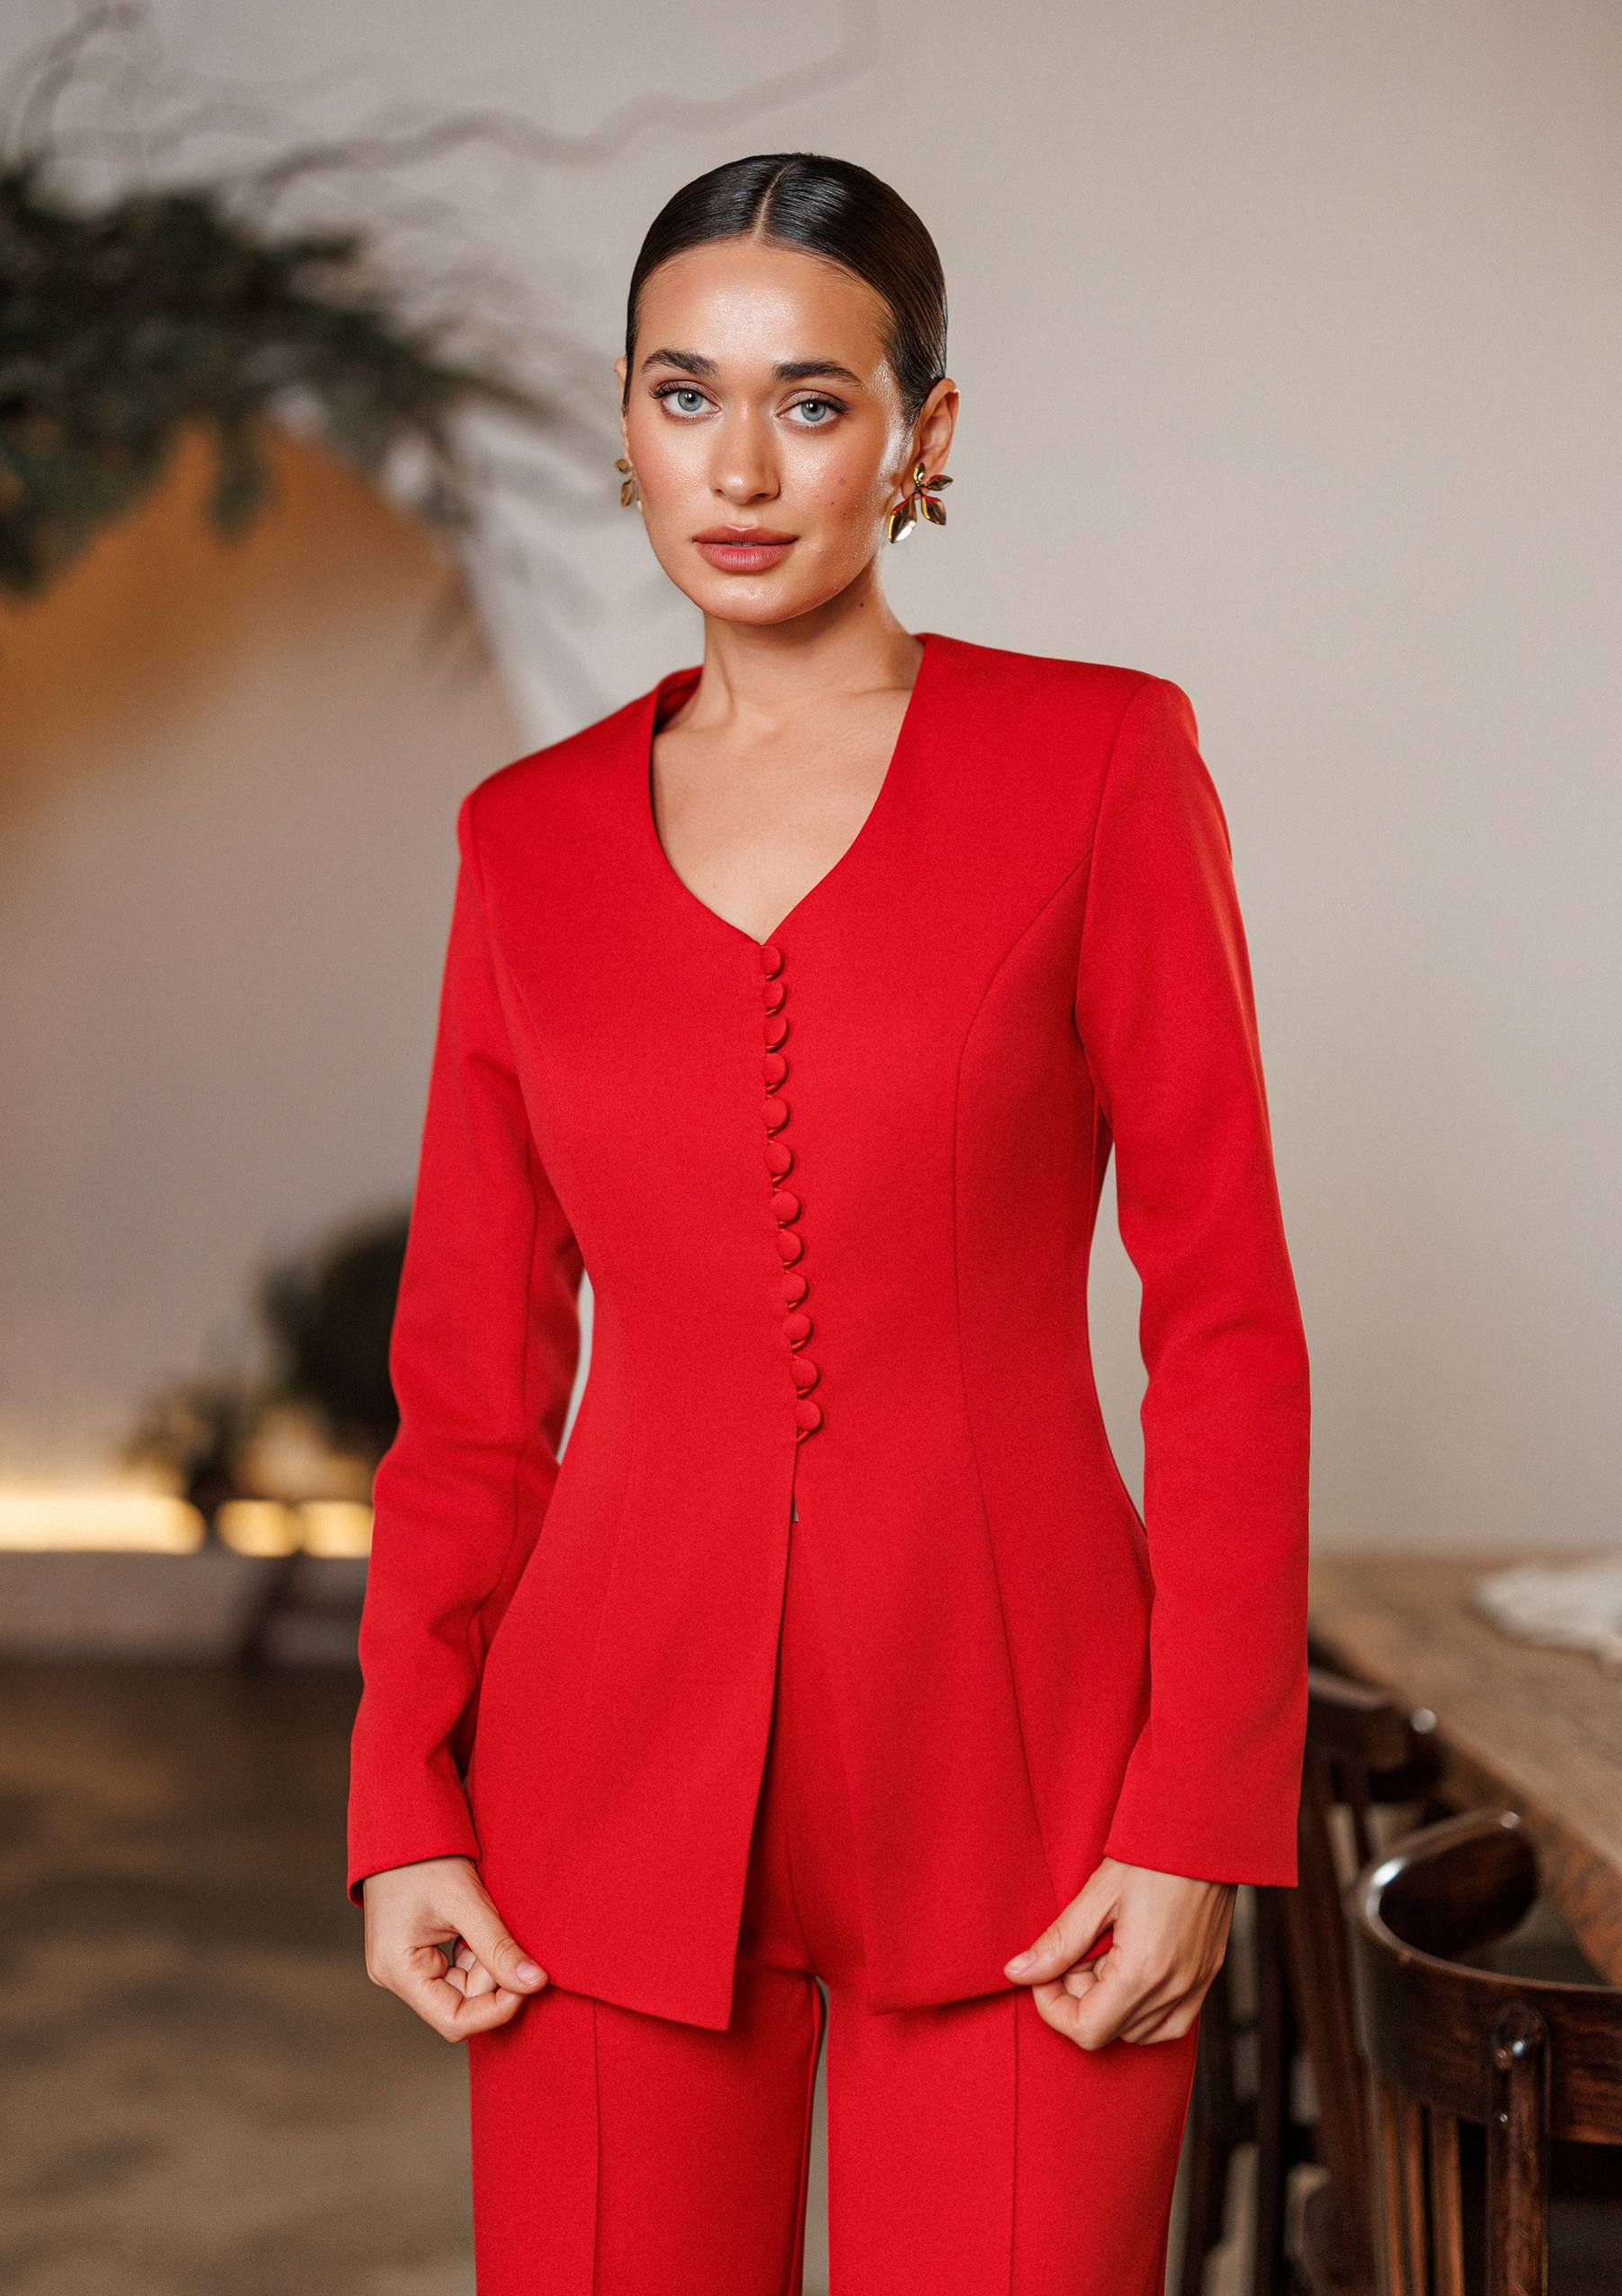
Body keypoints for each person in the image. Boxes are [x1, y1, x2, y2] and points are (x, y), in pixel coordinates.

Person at [347, 151, 1311, 2295]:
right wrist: (405, 1791)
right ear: (624, 425)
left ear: (921, 434)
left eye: (813, 399)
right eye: (685, 393)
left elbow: (1228, 1319)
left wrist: (1198, 1813)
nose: (742, 465)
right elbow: (470, 1385)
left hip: (1039, 1796)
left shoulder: (1102, 763)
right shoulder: (522, 844)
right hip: (595, 1810)